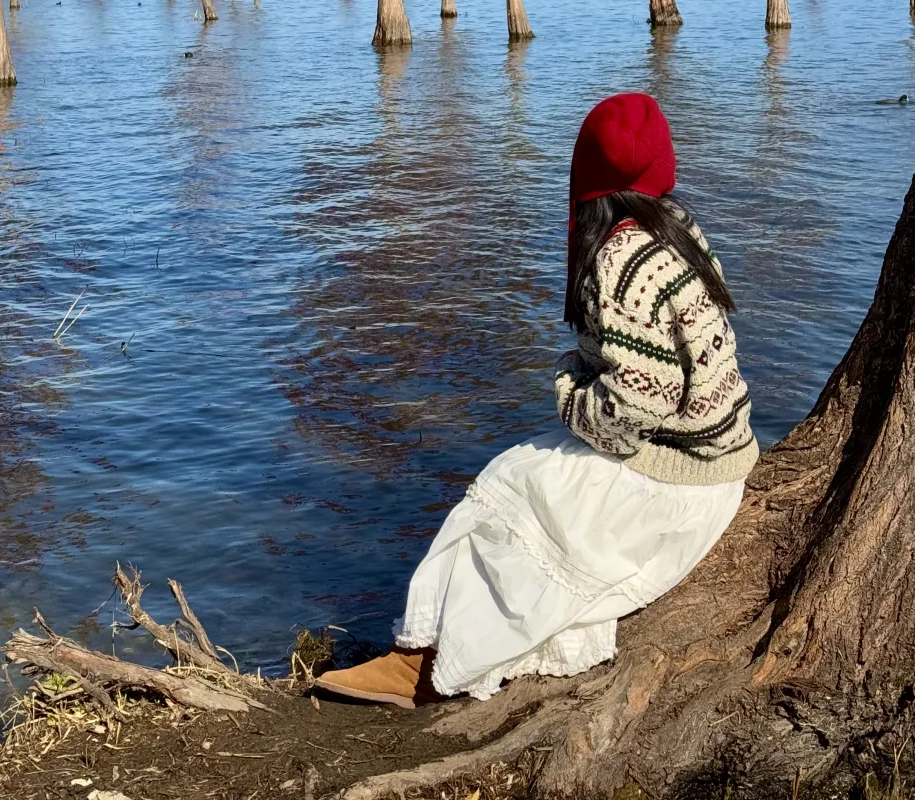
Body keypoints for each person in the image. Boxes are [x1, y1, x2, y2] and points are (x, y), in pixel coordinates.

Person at [314, 92, 759, 708]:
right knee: (529, 476)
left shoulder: (621, 257)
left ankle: (428, 664)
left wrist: (568, 391)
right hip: (721, 460)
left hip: (680, 483)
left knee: (508, 486)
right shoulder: (677, 227)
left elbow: (634, 410)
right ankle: (435, 648)